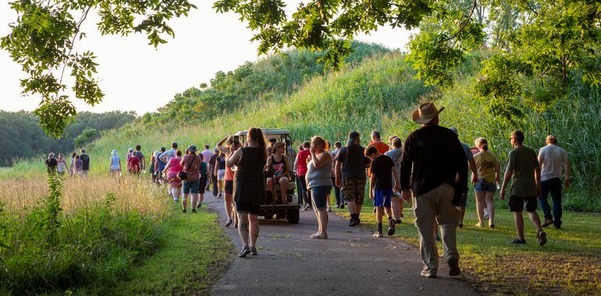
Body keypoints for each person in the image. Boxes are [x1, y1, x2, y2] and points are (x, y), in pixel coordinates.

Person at [400, 102, 466, 278]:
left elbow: (405, 165)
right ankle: (451, 254)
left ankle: (431, 267)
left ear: (422, 120)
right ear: (436, 117)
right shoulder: (450, 136)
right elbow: (462, 161)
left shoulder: (413, 137)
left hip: (422, 189)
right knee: (447, 223)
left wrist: (405, 187)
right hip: (447, 186)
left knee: (425, 229)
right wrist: (461, 185)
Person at [499, 129, 547, 246]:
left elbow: (508, 172)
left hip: (517, 187)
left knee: (517, 212)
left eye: (511, 138)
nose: (510, 140)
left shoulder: (513, 153)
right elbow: (537, 169)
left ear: (515, 139)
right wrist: (538, 185)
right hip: (531, 186)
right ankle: (539, 230)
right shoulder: (531, 152)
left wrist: (503, 188)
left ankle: (521, 238)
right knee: (531, 210)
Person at [226, 127, 267, 257]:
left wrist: (231, 152)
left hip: (242, 187)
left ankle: (245, 246)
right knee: (254, 218)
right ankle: (253, 246)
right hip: (257, 187)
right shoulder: (263, 153)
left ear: (248, 137)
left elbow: (228, 163)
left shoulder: (241, 151)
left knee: (242, 217)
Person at [335, 131, 370, 227]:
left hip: (347, 176)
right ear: (357, 138)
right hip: (360, 176)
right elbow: (368, 164)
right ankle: (357, 217)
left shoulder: (343, 150)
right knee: (359, 197)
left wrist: (337, 177)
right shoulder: (363, 150)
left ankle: (353, 218)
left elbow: (337, 165)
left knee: (350, 198)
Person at [366, 145, 399, 237]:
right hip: (388, 185)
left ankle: (379, 230)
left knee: (378, 207)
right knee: (387, 206)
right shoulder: (387, 159)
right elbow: (394, 171)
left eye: (369, 156)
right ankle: (390, 218)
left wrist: (370, 189)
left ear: (372, 153)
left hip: (379, 187)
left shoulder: (375, 162)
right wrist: (397, 183)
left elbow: (373, 178)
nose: (370, 158)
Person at [538, 135, 571, 229]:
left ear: (547, 141)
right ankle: (557, 222)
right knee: (556, 201)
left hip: (544, 178)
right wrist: (567, 178)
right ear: (556, 142)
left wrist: (536, 179)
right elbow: (567, 166)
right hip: (557, 179)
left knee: (542, 197)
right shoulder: (562, 151)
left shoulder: (543, 150)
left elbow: (539, 166)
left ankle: (548, 217)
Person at [449, 127, 478, 228]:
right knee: (462, 201)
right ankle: (460, 221)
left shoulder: (445, 147)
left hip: (450, 179)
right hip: (462, 178)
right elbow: (472, 162)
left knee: (450, 199)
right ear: (457, 136)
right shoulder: (465, 147)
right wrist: (475, 174)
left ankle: (453, 220)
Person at [306, 136, 333, 239]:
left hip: (321, 184)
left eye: (316, 143)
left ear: (322, 144)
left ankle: (323, 232)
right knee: (317, 209)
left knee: (321, 208)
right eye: (313, 143)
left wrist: (312, 154)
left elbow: (317, 165)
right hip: (313, 184)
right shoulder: (316, 155)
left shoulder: (325, 154)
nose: (314, 145)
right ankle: (320, 230)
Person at [473, 137, 500, 228]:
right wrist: (497, 177)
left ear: (478, 146)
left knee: (480, 202)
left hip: (480, 180)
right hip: (491, 180)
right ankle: (491, 221)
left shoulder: (476, 156)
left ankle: (481, 222)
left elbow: (471, 168)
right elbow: (497, 169)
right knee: (490, 201)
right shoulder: (492, 156)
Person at [217, 136, 241, 227]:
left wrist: (239, 145)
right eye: (231, 142)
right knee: (227, 199)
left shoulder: (240, 150)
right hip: (228, 178)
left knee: (235, 200)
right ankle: (229, 218)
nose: (232, 144)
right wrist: (226, 137)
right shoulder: (227, 151)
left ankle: (236, 218)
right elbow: (218, 145)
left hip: (237, 178)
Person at [384, 136, 403, 224]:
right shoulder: (404, 152)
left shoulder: (388, 154)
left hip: (393, 177)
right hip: (403, 176)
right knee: (400, 198)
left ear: (393, 144)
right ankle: (400, 214)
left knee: (393, 198)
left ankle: (396, 218)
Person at [181, 145, 201, 213]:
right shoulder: (198, 157)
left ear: (189, 150)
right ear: (195, 151)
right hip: (195, 177)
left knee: (185, 194)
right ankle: (193, 209)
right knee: (194, 193)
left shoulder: (185, 157)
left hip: (186, 177)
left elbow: (181, 164)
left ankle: (184, 209)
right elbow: (198, 166)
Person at [294, 141, 311, 210]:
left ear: (303, 146)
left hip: (301, 172)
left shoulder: (300, 153)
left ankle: (307, 202)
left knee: (303, 188)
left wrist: (295, 170)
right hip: (310, 171)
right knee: (310, 187)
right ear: (309, 145)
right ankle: (311, 202)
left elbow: (296, 163)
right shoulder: (312, 152)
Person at [330, 141, 344, 209]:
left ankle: (338, 202)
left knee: (336, 186)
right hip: (343, 170)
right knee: (342, 185)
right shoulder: (344, 151)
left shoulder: (333, 153)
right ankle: (342, 201)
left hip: (336, 170)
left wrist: (333, 169)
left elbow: (333, 161)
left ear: (335, 146)